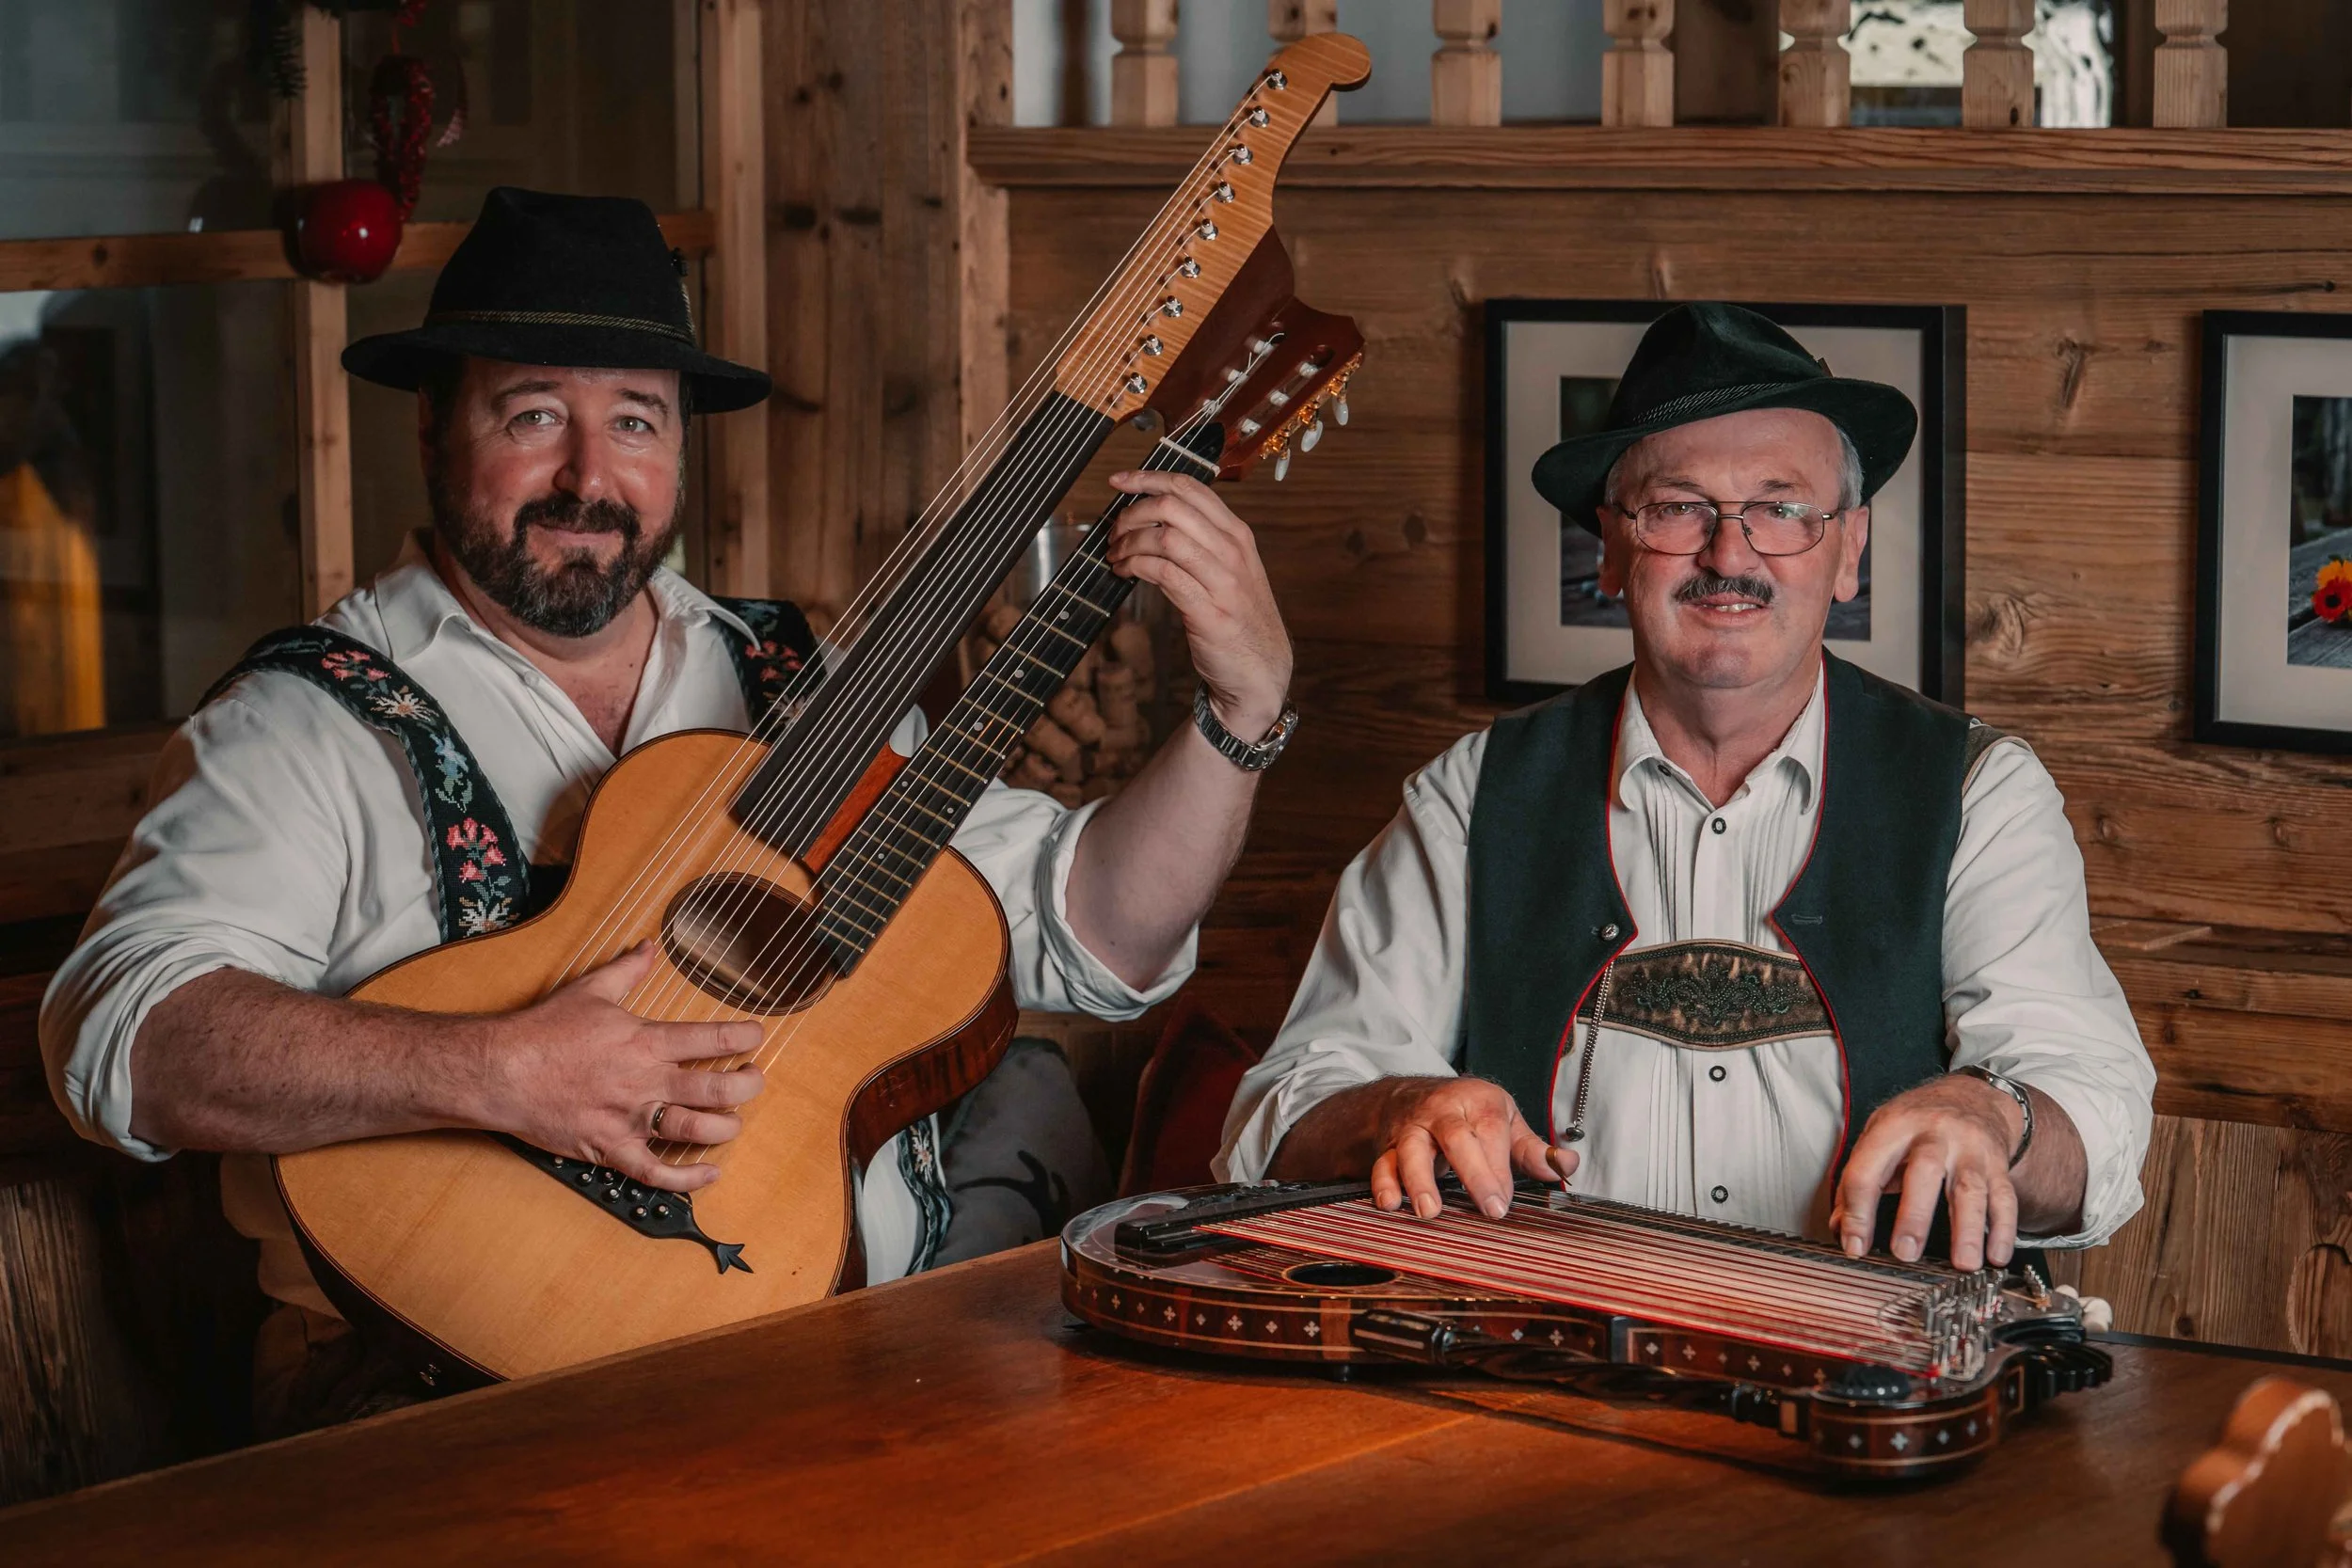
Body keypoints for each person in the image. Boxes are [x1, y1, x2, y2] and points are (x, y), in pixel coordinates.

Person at [40, 188, 1298, 1428]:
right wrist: (496, 1068)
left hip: (864, 1364)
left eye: (635, 422)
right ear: (432, 429)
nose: (590, 475)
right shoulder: (300, 720)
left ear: (683, 446)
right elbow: (122, 1035)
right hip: (428, 1396)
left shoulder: (802, 686)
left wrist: (1240, 714)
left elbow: (1095, 937)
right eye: (533, 413)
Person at [1216, 302, 2154, 1275]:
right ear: (1612, 548)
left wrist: (1990, 1113)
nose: (1730, 554)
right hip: (1539, 1363)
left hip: (1882, 1391)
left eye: (1781, 508)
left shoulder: (1977, 792)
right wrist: (1390, 1110)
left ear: (1848, 550)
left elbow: (2095, 1116)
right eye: (1677, 507)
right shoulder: (1473, 795)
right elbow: (1280, 1108)